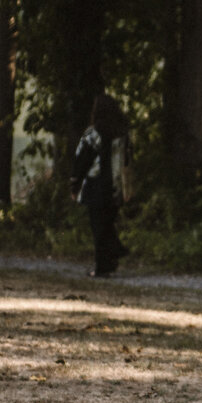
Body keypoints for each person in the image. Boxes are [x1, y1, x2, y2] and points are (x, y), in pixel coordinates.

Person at [71, 93, 129, 277]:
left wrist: (75, 183)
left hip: (96, 185)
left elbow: (82, 161)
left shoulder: (92, 134)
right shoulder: (122, 134)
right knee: (108, 223)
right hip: (116, 186)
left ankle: (103, 266)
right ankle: (113, 255)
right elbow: (128, 160)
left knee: (98, 227)